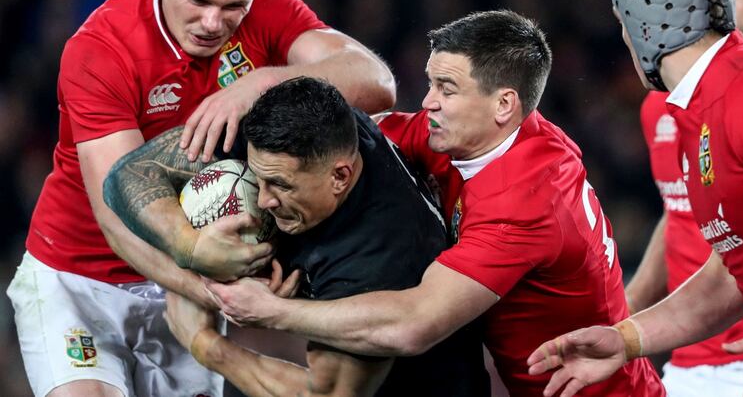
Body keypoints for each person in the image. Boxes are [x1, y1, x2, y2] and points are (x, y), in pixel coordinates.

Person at [192, 10, 665, 396]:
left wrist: (270, 312)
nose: (428, 102)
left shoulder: (526, 200)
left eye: (446, 88)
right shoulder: (470, 136)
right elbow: (352, 140)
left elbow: (413, 325)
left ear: (504, 105)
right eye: (431, 83)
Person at [5, 0, 395, 395]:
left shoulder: (269, 12)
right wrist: (221, 289)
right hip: (81, 281)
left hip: (186, 289)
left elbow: (377, 82)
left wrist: (262, 83)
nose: (213, 23)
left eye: (233, 6)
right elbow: (119, 217)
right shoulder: (103, 46)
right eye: (197, 0)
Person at [103, 76, 490, 397]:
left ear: (340, 177)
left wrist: (205, 343)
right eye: (258, 177)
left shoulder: (377, 261)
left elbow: (324, 393)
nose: (264, 199)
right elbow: (128, 175)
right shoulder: (317, 129)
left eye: (281, 186)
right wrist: (191, 247)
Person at [528, 0, 743, 397]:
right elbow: (731, 276)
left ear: (640, 28)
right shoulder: (700, 102)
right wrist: (625, 339)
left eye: (622, 25)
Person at [624, 0, 743, 395]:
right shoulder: (660, 105)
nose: (720, 4)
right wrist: (624, 313)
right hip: (688, 360)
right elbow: (680, 213)